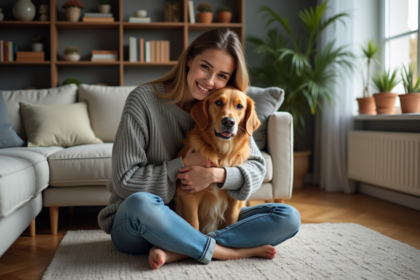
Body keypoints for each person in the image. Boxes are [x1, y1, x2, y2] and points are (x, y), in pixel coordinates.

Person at [98, 27, 301, 270]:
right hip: (145, 222)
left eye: (222, 75)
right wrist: (182, 166)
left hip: (201, 221)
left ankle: (182, 249)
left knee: (288, 217)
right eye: (205, 67)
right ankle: (226, 251)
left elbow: (257, 166)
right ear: (190, 60)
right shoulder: (142, 101)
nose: (210, 81)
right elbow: (123, 181)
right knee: (139, 203)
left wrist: (216, 175)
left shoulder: (223, 112)